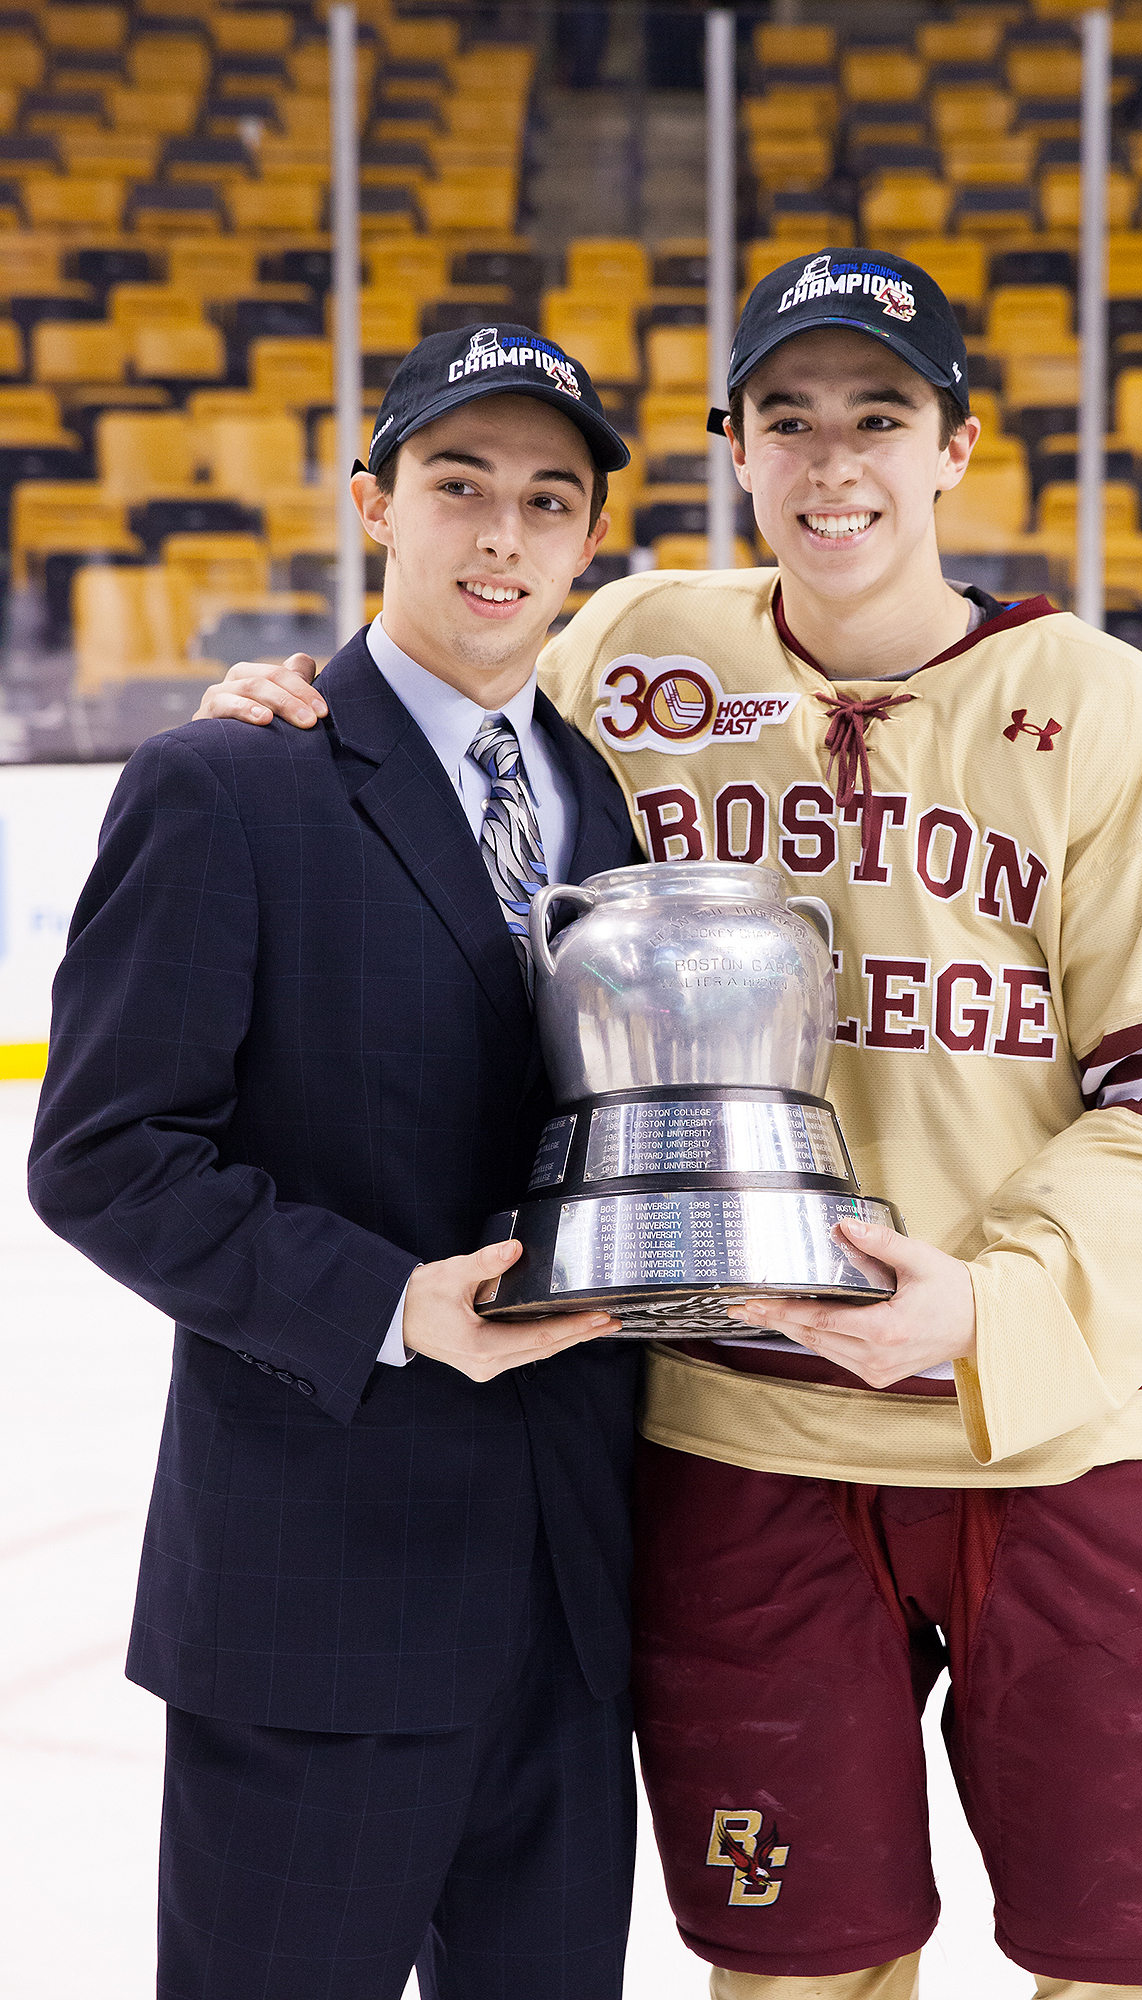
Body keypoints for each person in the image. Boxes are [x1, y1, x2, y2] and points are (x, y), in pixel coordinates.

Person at [198, 253, 1142, 2000]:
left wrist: (991, 1309)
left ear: (954, 448)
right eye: (786, 420)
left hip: (1079, 1443)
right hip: (740, 1444)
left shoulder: (1102, 707)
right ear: (733, 449)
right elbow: (433, 709)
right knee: (795, 1974)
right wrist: (283, 707)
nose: (830, 461)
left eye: (879, 417)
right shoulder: (637, 654)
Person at [28, 325, 645, 2000]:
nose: (500, 536)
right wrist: (390, 1305)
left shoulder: (610, 803)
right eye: (459, 488)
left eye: (546, 499)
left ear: (592, 540)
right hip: (321, 1611)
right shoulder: (228, 783)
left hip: (574, 1614)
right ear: (374, 503)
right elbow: (102, 1156)